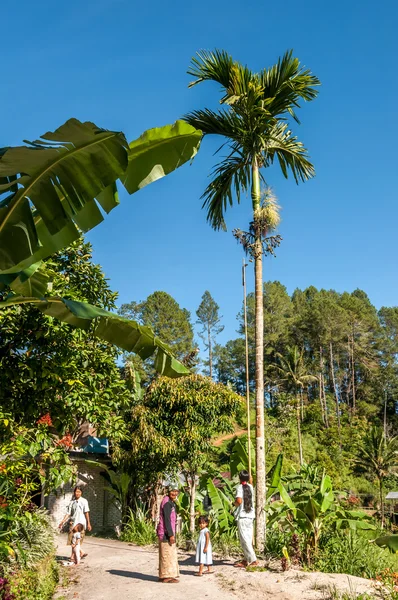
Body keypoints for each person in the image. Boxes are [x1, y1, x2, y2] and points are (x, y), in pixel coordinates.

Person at [59, 485, 92, 561]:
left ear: (81, 493)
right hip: (73, 523)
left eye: (79, 492)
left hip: (81, 524)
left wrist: (89, 523)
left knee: (78, 539)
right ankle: (78, 553)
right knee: (71, 539)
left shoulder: (84, 501)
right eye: (76, 492)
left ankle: (74, 556)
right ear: (74, 493)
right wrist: (62, 521)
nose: (77, 493)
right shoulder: (72, 502)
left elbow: (86, 512)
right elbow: (68, 513)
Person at [234, 470, 258, 568]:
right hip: (250, 516)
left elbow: (239, 500)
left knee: (244, 540)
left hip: (243, 516)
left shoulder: (239, 488)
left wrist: (234, 504)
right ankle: (245, 559)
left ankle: (253, 560)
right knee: (247, 539)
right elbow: (250, 483)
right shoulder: (251, 487)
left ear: (240, 478)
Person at [156, 486, 180, 584]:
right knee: (167, 555)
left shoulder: (171, 502)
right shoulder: (166, 503)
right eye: (172, 491)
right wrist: (170, 535)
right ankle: (167, 576)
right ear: (168, 491)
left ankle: (166, 575)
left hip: (167, 532)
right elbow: (167, 520)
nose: (174, 493)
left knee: (169, 554)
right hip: (165, 533)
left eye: (176, 491)